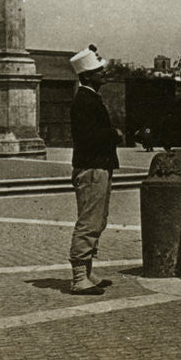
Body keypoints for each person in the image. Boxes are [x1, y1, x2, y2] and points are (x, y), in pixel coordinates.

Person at [67, 45, 120, 295]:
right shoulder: (84, 101)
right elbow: (90, 136)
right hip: (92, 168)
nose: (104, 73)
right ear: (87, 76)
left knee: (97, 219)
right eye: (99, 71)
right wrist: (114, 134)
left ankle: (86, 272)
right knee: (89, 222)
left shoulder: (89, 98)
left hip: (98, 166)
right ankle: (79, 277)